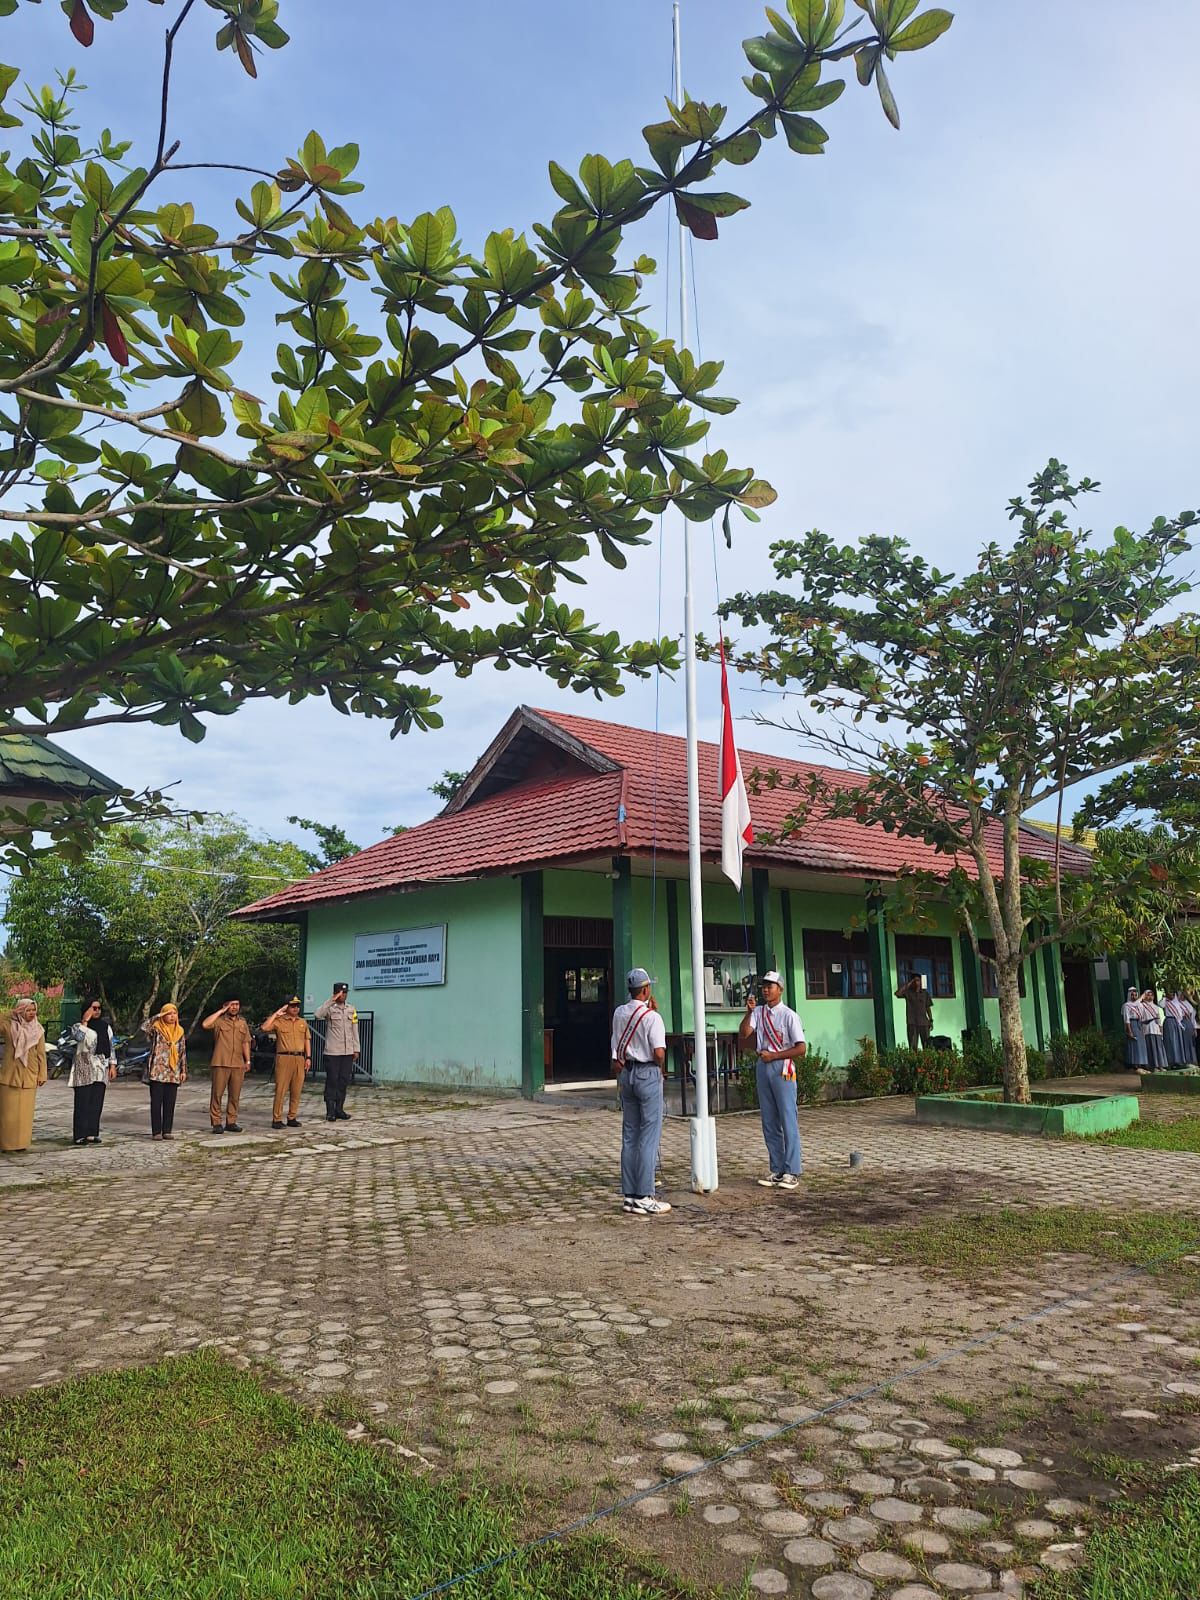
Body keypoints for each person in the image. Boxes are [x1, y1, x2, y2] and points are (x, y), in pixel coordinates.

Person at [610, 966, 670, 1217]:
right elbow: (658, 1052)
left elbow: (617, 1046)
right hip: (647, 1072)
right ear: (646, 989)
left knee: (630, 1135)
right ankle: (645, 1195)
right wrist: (661, 1067)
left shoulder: (619, 1013)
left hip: (627, 1073)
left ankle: (630, 1195)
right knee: (649, 1135)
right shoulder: (652, 1017)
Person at [739, 969, 806, 1191]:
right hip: (763, 1066)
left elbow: (801, 1048)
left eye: (771, 986)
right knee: (769, 1120)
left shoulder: (789, 1015)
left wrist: (774, 1056)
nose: (766, 989)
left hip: (782, 1067)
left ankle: (792, 1170)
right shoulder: (758, 1012)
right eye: (764, 986)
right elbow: (745, 1033)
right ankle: (777, 1168)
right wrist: (748, 1013)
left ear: (780, 989)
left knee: (787, 1118)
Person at [0, 998, 47, 1153]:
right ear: (20, 1010)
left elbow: (41, 1054)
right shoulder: (8, 1026)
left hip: (30, 1075)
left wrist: (42, 1074)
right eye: (28, 1010)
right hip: (10, 1075)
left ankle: (22, 1143)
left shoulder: (38, 1030)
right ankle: (7, 1144)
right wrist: (11, 1013)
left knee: (25, 1113)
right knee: (8, 1113)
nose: (32, 1013)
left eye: (34, 1010)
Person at [69, 997, 116, 1145]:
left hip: (100, 1067)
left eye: (98, 1008)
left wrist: (113, 1065)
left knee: (96, 1101)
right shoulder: (78, 1026)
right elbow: (78, 1038)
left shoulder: (105, 1026)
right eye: (93, 1008)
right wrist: (85, 1021)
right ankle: (79, 1135)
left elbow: (111, 1046)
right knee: (82, 1101)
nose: (96, 1011)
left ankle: (91, 1132)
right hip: (84, 1067)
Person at [202, 998, 252, 1134]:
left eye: (237, 1004)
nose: (234, 1007)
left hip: (237, 1063)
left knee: (235, 1095)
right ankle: (216, 1122)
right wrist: (220, 1011)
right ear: (225, 1006)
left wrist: (247, 1060)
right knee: (217, 1094)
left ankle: (231, 1121)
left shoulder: (242, 1022)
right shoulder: (219, 1021)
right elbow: (205, 1024)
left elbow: (246, 1042)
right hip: (221, 1062)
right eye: (231, 1005)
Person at [262, 996, 310, 1129]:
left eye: (297, 1006)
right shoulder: (279, 1021)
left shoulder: (302, 1022)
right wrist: (277, 1013)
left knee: (297, 1089)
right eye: (292, 1006)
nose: (295, 1008)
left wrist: (308, 1057)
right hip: (284, 1057)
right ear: (286, 1007)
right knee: (281, 1089)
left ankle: (292, 1117)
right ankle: (276, 1118)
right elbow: (265, 1027)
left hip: (299, 1058)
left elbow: (307, 1040)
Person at [315, 983, 359, 1123]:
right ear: (335, 993)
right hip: (333, 1052)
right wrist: (331, 1000)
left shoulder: (351, 1009)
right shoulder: (329, 1009)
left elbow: (354, 1030)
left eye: (345, 993)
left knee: (343, 1081)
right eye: (341, 993)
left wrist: (356, 1049)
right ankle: (330, 1111)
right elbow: (317, 1014)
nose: (343, 995)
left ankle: (339, 1109)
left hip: (347, 1052)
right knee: (332, 1080)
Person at [145, 1003, 187, 1139]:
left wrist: (183, 1070)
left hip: (173, 1071)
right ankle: (156, 1132)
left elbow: (182, 1052)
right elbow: (144, 1026)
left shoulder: (180, 1031)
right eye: (169, 1013)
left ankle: (167, 1130)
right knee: (156, 1102)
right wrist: (159, 1015)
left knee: (170, 1102)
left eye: (174, 1013)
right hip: (157, 1070)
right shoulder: (157, 1028)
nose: (172, 1016)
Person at [895, 972, 933, 1051]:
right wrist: (909, 983)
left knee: (927, 1046)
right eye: (914, 981)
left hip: (924, 1023)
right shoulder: (908, 993)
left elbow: (928, 1008)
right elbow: (897, 993)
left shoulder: (925, 993)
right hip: (912, 1023)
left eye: (918, 980)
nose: (916, 983)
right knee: (913, 1047)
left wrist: (931, 1020)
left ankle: (927, 1063)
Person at [1140, 988, 1167, 1072]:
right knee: (1151, 1048)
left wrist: (1161, 1029)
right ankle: (1153, 1066)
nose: (1150, 997)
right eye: (1148, 995)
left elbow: (1158, 1019)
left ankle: (1160, 1065)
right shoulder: (1142, 1006)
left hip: (1156, 1029)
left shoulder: (1156, 1007)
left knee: (1159, 1048)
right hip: (1148, 1029)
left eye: (1151, 995)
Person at [1121, 986, 1147, 1071]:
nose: (1134, 996)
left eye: (1135, 995)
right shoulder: (1126, 1006)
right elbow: (1126, 1019)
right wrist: (1130, 1030)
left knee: (1141, 1044)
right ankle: (1135, 1064)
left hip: (1139, 1024)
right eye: (1132, 995)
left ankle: (1142, 1062)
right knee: (1134, 1044)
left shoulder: (1139, 1005)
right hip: (1132, 1024)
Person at [1164, 993, 1189, 1068]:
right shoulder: (1166, 1002)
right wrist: (1165, 997)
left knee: (1178, 1041)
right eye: (1169, 993)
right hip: (1169, 1021)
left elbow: (1184, 1012)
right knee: (1171, 1041)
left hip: (1177, 1022)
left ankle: (1179, 1060)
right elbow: (1160, 1004)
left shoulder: (1177, 1003)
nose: (1171, 995)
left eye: (1172, 993)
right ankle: (1171, 1061)